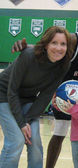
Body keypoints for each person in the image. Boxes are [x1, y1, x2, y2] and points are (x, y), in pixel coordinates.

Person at [11, 6, 78, 168]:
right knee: (59, 130)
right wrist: (26, 47)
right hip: (67, 92)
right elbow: (50, 47)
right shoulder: (75, 39)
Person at [0, 26, 72, 168]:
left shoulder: (64, 65)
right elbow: (12, 90)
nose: (59, 48)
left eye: (63, 44)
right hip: (4, 94)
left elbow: (45, 96)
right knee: (16, 140)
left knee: (35, 140)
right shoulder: (28, 54)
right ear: (45, 44)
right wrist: (21, 123)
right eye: (54, 43)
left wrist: (27, 120)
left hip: (27, 98)